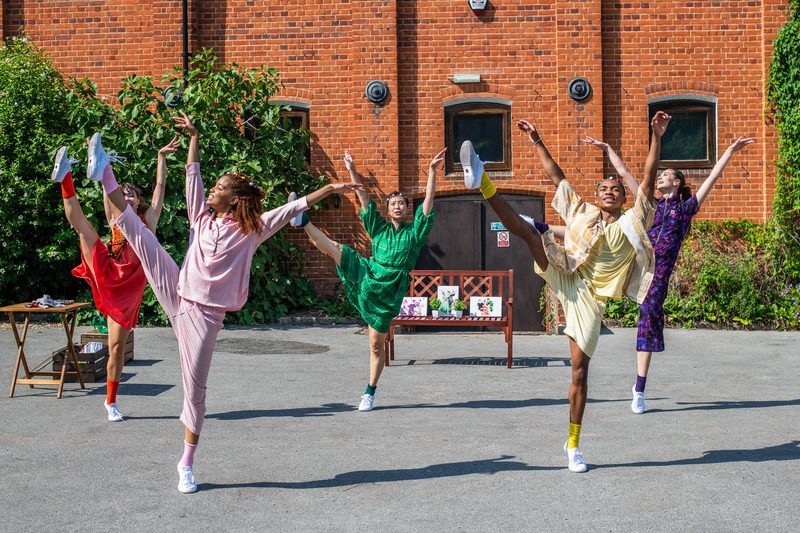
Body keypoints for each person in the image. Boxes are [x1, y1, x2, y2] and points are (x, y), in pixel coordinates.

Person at [90, 112, 361, 494]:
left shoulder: (252, 230)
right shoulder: (201, 219)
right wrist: (195, 138)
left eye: (220, 188)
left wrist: (329, 190)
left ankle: (186, 462)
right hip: (178, 289)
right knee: (138, 232)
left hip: (204, 317)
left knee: (194, 391)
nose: (212, 191)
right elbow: (193, 178)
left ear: (233, 198)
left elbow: (290, 208)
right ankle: (104, 172)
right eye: (214, 187)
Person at [460, 111, 670, 472]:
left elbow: (648, 179)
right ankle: (482, 180)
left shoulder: (633, 222)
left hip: (591, 300)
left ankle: (573, 444)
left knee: (578, 372)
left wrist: (656, 136)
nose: (608, 191)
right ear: (596, 195)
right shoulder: (582, 211)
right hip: (567, 272)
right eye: (603, 188)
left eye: (615, 189)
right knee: (529, 235)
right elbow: (556, 176)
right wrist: (537, 139)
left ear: (622, 198)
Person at [584, 135, 755, 414]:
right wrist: (608, 149)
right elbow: (625, 174)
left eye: (665, 175)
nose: (660, 177)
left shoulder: (686, 209)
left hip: (658, 274)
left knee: (648, 318)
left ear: (677, 182)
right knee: (601, 270)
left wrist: (730, 150)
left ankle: (639, 388)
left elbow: (713, 175)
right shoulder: (649, 204)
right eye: (659, 174)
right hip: (633, 262)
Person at [291, 148, 446, 412]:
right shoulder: (379, 228)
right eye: (393, 204)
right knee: (334, 248)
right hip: (369, 273)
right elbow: (363, 198)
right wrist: (352, 169)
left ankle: (370, 392)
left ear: (408, 209)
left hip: (389, 291)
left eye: (402, 204)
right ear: (387, 210)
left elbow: (428, 204)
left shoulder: (415, 233)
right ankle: (302, 219)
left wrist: (431, 171)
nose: (397, 206)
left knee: (376, 345)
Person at [50, 137, 177, 422]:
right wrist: (96, 157)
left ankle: (111, 401)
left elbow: (160, 187)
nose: (127, 197)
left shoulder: (149, 220)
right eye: (123, 193)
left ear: (139, 200)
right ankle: (65, 177)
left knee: (117, 347)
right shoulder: (115, 216)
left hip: (130, 289)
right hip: (110, 269)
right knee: (82, 228)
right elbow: (107, 188)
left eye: (131, 194)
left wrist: (161, 157)